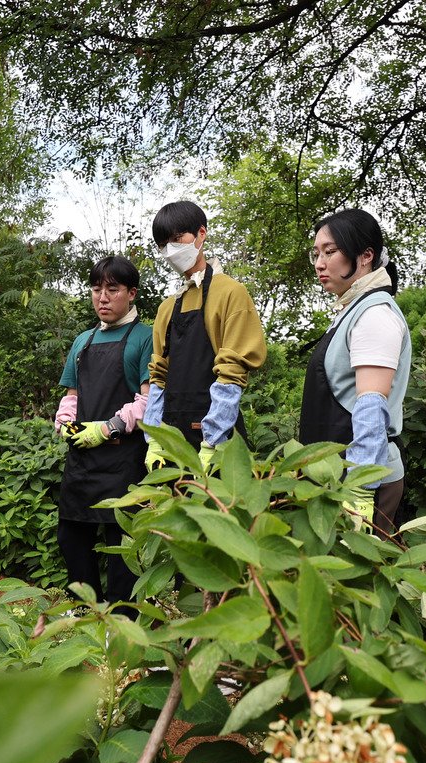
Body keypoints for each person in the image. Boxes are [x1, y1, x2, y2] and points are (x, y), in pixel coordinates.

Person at [299, 209, 411, 535]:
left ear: (365, 256)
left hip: (360, 481)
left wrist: (359, 489)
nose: (319, 263)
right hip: (334, 474)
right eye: (316, 254)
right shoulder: (351, 310)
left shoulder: (375, 314)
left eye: (330, 252)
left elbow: (371, 407)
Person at [52, 255, 154, 605]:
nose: (103, 298)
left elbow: (149, 400)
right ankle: (86, 610)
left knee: (122, 541)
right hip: (82, 460)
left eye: (113, 289)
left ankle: (123, 618)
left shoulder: (145, 338)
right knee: (71, 536)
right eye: (96, 289)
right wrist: (65, 422)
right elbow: (72, 395)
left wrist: (109, 428)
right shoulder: (83, 341)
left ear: (132, 293)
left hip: (124, 459)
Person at [141, 200, 267, 468]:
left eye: (177, 239)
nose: (171, 250)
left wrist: (212, 441)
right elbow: (159, 378)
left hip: (218, 440)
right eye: (164, 245)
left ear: (201, 234)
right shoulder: (167, 307)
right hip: (173, 441)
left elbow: (232, 373)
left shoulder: (231, 292)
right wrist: (154, 439)